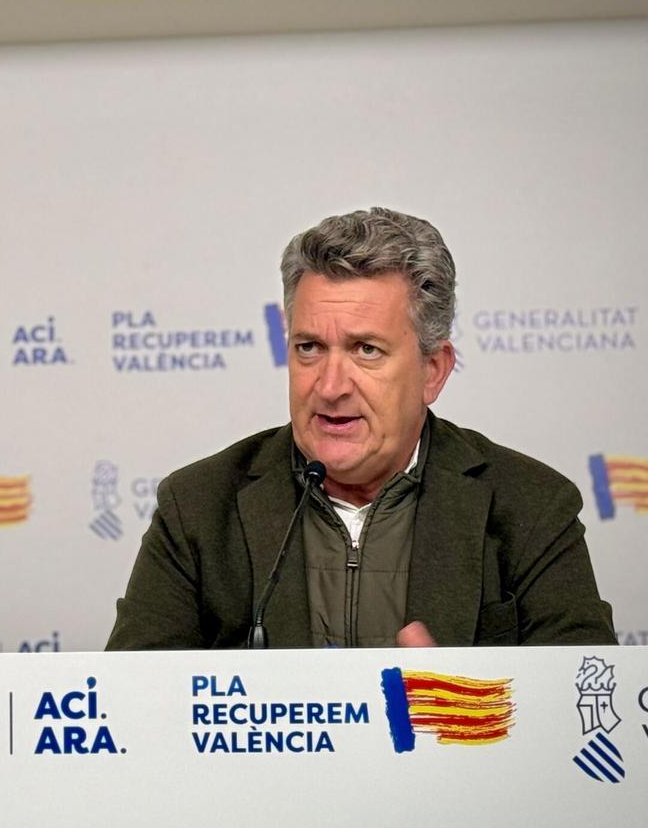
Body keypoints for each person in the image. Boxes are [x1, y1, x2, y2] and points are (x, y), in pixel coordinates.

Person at [107, 207, 615, 650]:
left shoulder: (530, 506)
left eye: (365, 350)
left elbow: (580, 718)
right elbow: (134, 710)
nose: (330, 386)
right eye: (309, 348)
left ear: (433, 370)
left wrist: (463, 710)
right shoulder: (197, 507)